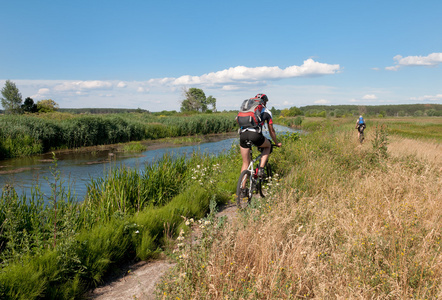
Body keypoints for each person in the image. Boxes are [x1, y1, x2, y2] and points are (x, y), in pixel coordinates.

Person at [239, 93, 282, 179]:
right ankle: (261, 169)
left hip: (243, 135)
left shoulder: (247, 110)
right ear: (265, 102)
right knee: (268, 146)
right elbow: (271, 130)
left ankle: (242, 189)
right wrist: (276, 143)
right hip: (255, 135)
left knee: (245, 163)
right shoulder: (267, 112)